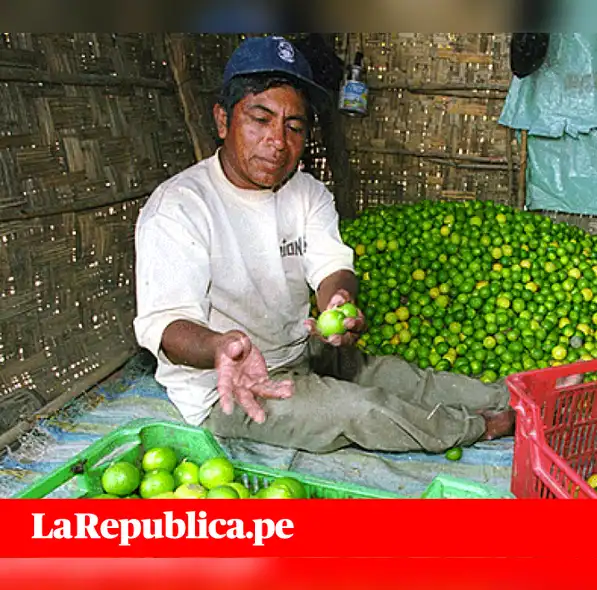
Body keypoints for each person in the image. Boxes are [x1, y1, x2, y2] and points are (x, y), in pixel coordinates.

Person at [133, 36, 514, 454]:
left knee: (400, 378)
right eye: (260, 119)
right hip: (228, 388)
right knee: (361, 409)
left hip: (297, 350)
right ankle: (476, 427)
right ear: (223, 121)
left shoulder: (307, 193)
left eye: (294, 126)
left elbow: (332, 265)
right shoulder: (180, 207)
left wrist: (339, 302)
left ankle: (510, 395)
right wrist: (220, 347)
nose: (278, 141)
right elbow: (167, 326)